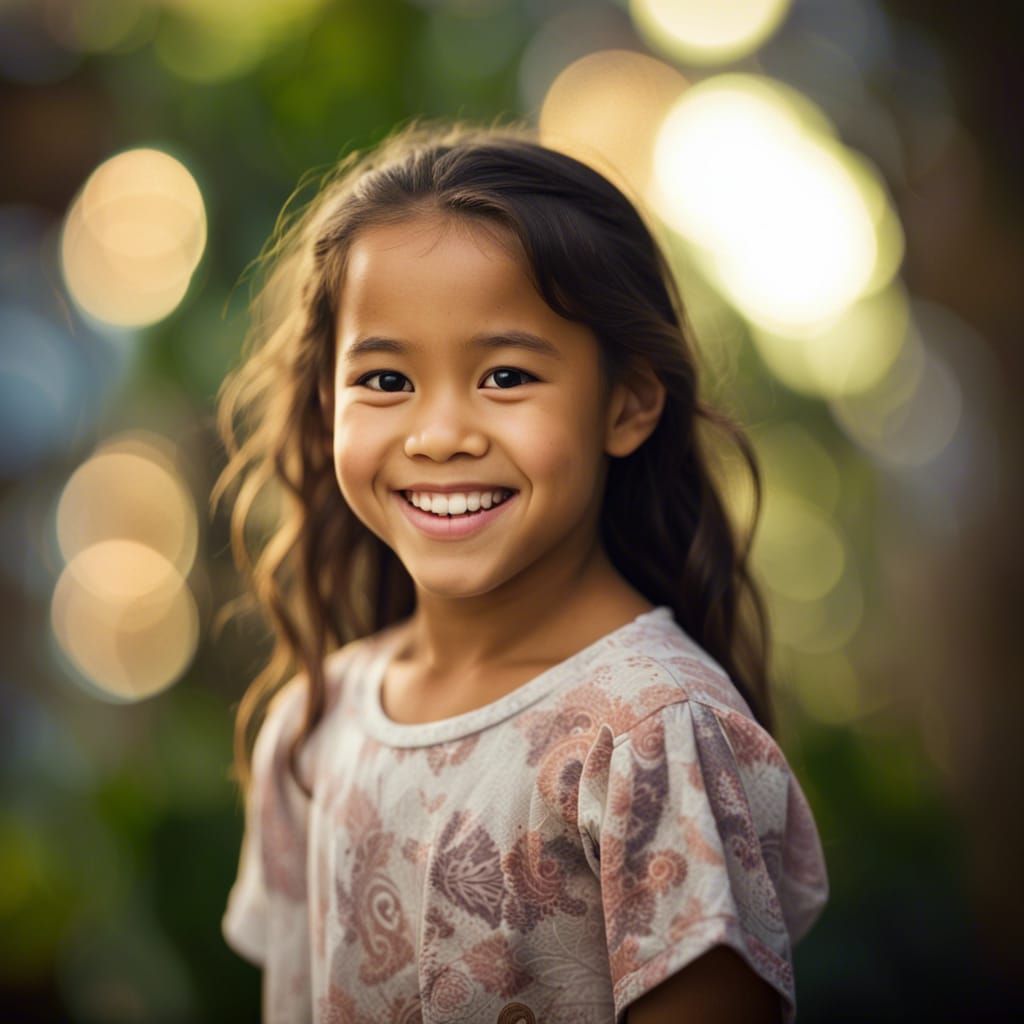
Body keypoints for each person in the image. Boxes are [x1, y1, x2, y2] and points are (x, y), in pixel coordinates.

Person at [213, 118, 829, 1024]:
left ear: (627, 403)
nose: (440, 434)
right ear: (325, 403)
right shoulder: (315, 724)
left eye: (504, 376)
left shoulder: (657, 739)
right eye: (386, 381)